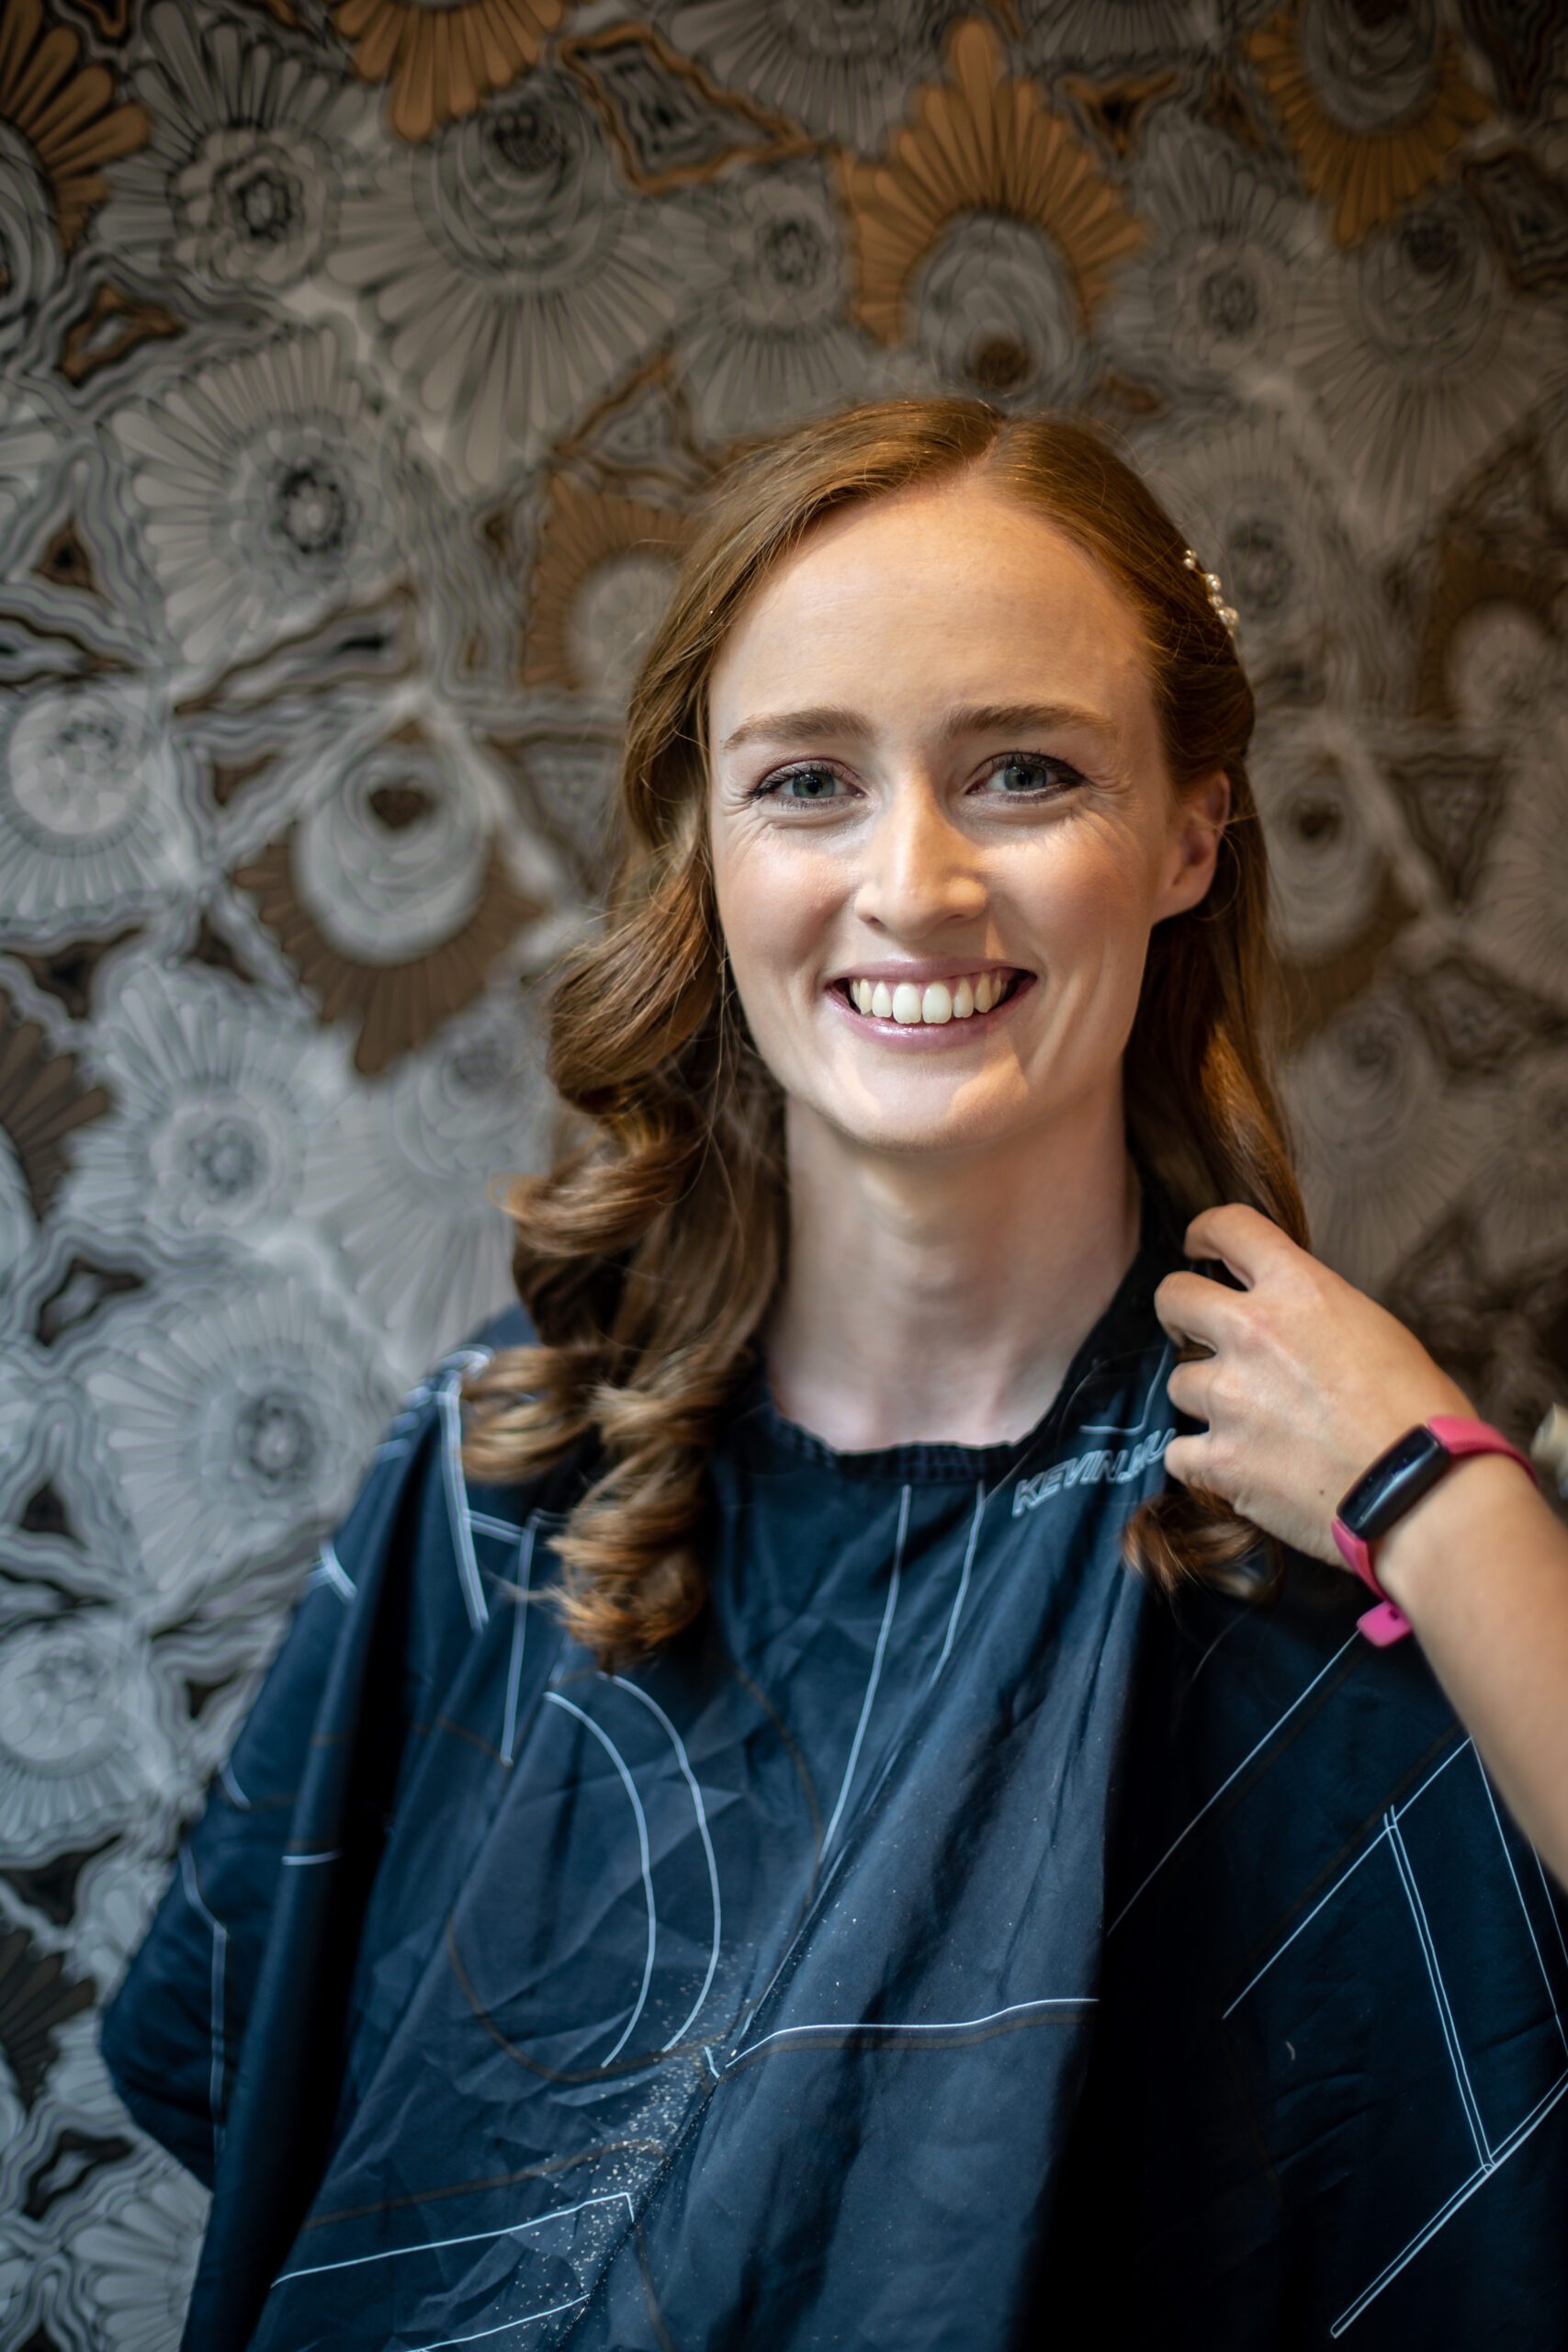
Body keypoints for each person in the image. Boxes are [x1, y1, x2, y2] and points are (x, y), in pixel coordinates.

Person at [100, 401, 1568, 2352]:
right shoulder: (504, 1468)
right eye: (806, 780)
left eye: (1023, 771)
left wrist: (1434, 1492)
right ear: (704, 839)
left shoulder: (1328, 1538)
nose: (914, 883)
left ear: (1188, 832)